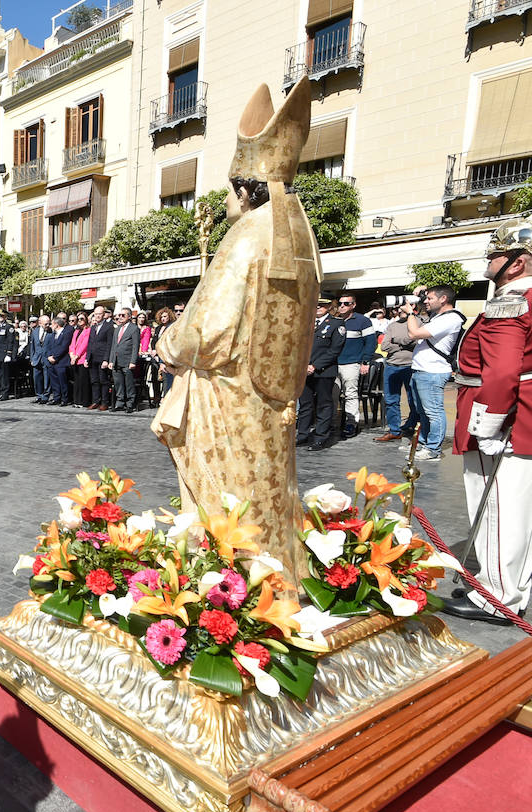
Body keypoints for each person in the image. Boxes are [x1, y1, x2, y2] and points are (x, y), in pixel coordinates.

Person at [155, 79, 320, 585]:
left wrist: (167, 343)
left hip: (228, 402)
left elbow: (205, 331)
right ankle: (280, 581)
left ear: (246, 188)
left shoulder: (247, 235)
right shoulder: (302, 235)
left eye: (231, 187)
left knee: (227, 502)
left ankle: (230, 596)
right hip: (273, 405)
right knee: (268, 497)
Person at [442, 197, 532, 622]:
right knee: (524, 508)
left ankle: (495, 598)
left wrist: (488, 423)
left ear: (518, 262)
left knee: (498, 506)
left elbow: (500, 371)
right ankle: (510, 587)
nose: (489, 259)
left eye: (496, 253)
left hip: (507, 414)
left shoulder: (510, 300)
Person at [403, 285, 466, 460]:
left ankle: (433, 449)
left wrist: (410, 313)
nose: (426, 301)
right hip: (421, 369)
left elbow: (414, 333)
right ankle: (423, 442)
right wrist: (422, 290)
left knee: (433, 411)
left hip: (433, 371)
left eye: (430, 298)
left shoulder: (451, 318)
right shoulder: (439, 317)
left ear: (443, 299)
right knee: (422, 411)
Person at [297, 299, 346, 450]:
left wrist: (315, 366)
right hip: (304, 370)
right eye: (316, 304)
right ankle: (302, 435)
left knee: (323, 404)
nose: (318, 307)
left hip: (324, 371)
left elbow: (335, 349)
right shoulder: (306, 322)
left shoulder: (337, 324)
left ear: (329, 307)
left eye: (322, 305)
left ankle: (320, 437)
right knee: (305, 404)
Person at [333, 294, 375, 438]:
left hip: (352, 364)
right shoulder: (334, 320)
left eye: (346, 303)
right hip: (332, 364)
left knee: (350, 394)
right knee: (331, 395)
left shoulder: (363, 321)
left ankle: (351, 423)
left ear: (353, 305)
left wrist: (365, 362)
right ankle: (331, 424)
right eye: (340, 303)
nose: (342, 306)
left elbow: (371, 342)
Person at [374, 304, 416, 442]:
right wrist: (406, 342)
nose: (399, 310)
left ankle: (412, 426)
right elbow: (385, 346)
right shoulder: (392, 326)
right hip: (392, 366)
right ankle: (394, 430)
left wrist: (396, 341)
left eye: (403, 307)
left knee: (414, 400)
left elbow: (417, 341)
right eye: (397, 308)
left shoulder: (418, 322)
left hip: (411, 366)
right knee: (391, 400)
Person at [109, 307, 140, 412]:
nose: (120, 317)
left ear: (129, 316)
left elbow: (136, 346)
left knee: (129, 384)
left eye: (123, 315)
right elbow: (114, 346)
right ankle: (120, 403)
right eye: (119, 315)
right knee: (118, 383)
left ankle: (130, 403)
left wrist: (133, 361)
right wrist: (111, 360)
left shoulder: (134, 328)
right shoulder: (117, 329)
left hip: (127, 360)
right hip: (116, 361)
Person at [89, 306, 115, 410]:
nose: (98, 316)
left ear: (104, 315)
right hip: (93, 358)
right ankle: (96, 401)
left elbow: (109, 344)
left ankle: (104, 402)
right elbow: (90, 343)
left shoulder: (109, 327)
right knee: (94, 381)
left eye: (100, 314)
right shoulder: (93, 327)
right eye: (96, 314)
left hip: (102, 358)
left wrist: (106, 359)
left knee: (103, 381)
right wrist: (87, 358)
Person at [45, 313, 73, 405]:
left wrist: (55, 357)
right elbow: (49, 346)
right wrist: (49, 356)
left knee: (62, 381)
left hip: (61, 361)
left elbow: (64, 347)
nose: (51, 326)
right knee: (54, 382)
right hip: (52, 362)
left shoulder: (66, 333)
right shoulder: (53, 334)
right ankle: (56, 397)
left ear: (56, 324)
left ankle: (64, 399)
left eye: (52, 324)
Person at [0, 311, 18, 401]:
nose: (0, 317)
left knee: (4, 375)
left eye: (2, 316)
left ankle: (5, 393)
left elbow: (11, 341)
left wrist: (9, 354)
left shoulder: (9, 327)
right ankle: (1, 392)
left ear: (5, 317)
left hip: (4, 354)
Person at [28, 314, 51, 404]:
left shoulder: (51, 332)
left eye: (49, 324)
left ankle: (46, 396)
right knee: (37, 378)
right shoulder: (35, 332)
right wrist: (32, 358)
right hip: (37, 358)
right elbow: (32, 346)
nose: (47, 326)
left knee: (47, 379)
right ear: (40, 323)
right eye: (46, 324)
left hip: (46, 358)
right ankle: (39, 395)